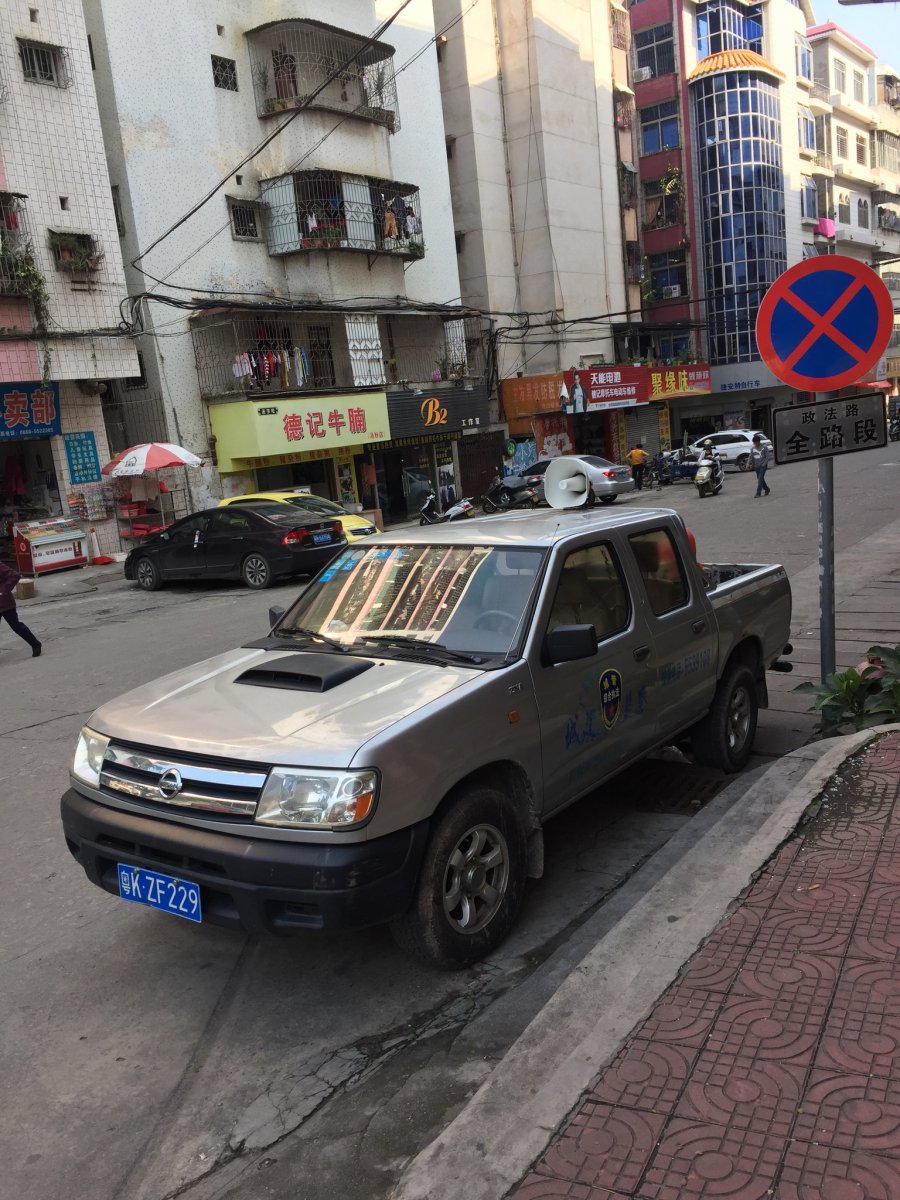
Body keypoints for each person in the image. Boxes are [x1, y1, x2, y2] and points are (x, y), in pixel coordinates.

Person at [0, 561, 41, 656]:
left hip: (5, 603)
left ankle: (35, 644)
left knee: (16, 626)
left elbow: (15, 575)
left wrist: (3, 590)